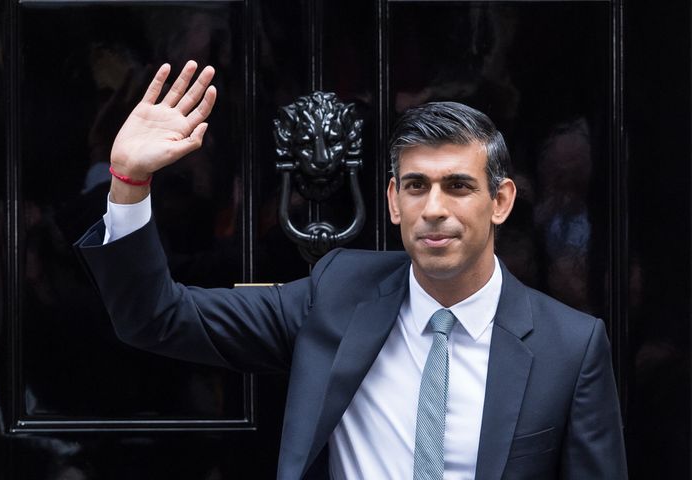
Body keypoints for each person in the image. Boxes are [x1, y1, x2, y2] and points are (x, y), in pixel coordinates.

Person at [75, 61, 627, 479]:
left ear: (500, 201)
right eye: (416, 186)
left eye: (458, 186)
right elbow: (158, 317)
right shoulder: (336, 293)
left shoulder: (570, 347)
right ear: (392, 201)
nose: (434, 208)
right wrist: (127, 182)